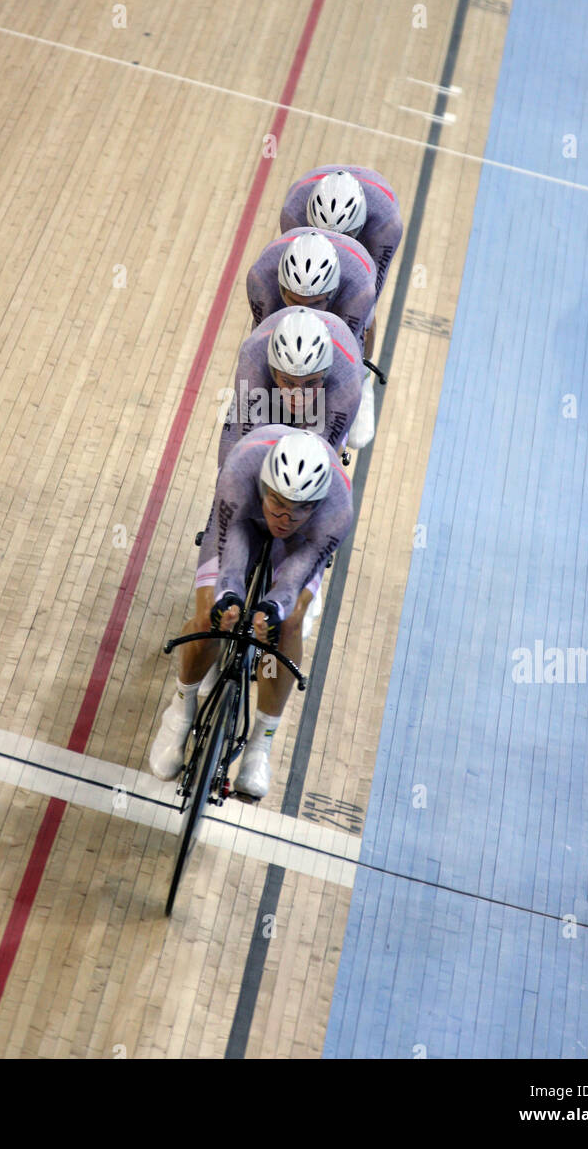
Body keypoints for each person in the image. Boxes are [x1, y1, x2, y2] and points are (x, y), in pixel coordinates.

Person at [149, 429, 353, 798]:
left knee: (288, 624)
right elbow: (232, 550)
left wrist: (273, 608)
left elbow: (295, 575)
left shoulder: (337, 507)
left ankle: (261, 744)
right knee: (212, 608)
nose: (285, 517)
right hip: (242, 519)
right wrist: (229, 597)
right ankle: (179, 711)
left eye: (299, 508)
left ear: (317, 503)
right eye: (277, 502)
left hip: (302, 545)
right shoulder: (240, 469)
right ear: (264, 486)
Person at [280, 166, 403, 443]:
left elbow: (357, 325)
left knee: (361, 314)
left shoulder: (385, 225)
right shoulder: (294, 211)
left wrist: (350, 374)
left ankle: (364, 379)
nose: (332, 244)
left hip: (370, 238)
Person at [217, 306, 362, 467]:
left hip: (328, 397)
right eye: (288, 381)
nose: (298, 395)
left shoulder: (348, 380)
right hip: (266, 390)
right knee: (236, 463)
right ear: (272, 370)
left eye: (310, 382)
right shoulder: (253, 356)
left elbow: (321, 456)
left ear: (326, 373)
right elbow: (248, 448)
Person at [245, 229, 377, 367]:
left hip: (350, 289)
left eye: (316, 302)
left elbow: (347, 357)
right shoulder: (260, 277)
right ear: (282, 290)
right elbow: (261, 341)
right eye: (295, 301)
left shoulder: (360, 289)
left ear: (332, 292)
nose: (305, 310)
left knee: (352, 354)